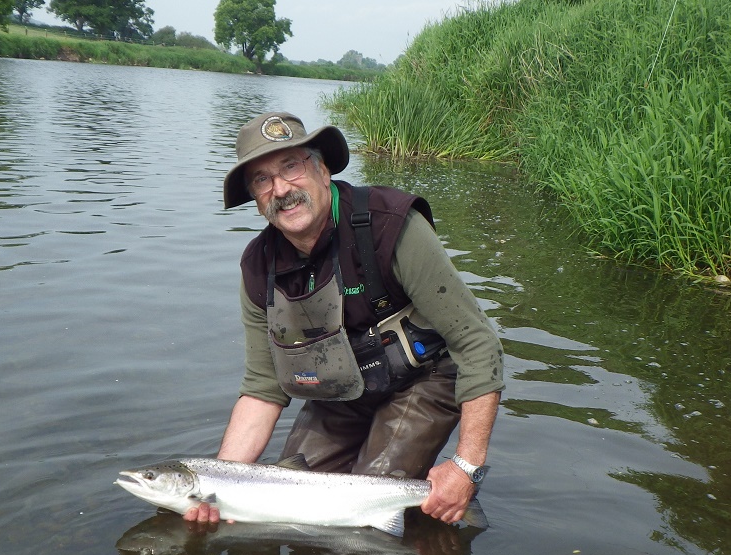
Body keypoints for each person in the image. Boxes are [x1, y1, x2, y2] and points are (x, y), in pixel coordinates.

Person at [186, 111, 504, 526]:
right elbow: (263, 388)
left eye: (291, 166)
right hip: (342, 386)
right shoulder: (258, 266)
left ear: (322, 169)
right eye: (262, 180)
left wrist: (466, 467)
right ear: (255, 198)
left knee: (365, 505)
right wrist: (217, 486)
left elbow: (477, 343)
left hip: (428, 376)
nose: (281, 189)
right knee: (289, 501)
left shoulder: (390, 224)